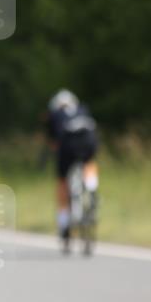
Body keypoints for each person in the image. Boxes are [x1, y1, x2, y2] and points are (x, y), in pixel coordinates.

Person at [45, 89, 99, 250]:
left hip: (67, 149)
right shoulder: (83, 109)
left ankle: (63, 223)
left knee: (62, 182)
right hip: (88, 142)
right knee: (89, 162)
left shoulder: (54, 114)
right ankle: (92, 187)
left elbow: (53, 142)